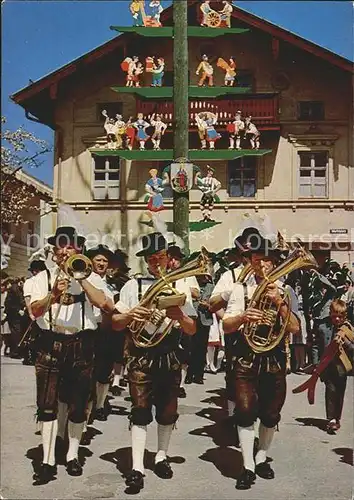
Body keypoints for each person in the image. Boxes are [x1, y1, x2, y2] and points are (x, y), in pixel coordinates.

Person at [112, 232, 197, 493]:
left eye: (160, 257)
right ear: (145, 261)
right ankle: (137, 467)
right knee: (139, 410)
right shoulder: (132, 286)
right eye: (151, 259)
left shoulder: (180, 285)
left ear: (168, 257)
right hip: (141, 355)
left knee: (167, 410)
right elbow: (115, 323)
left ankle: (161, 455)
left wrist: (180, 315)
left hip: (169, 353)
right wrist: (131, 315)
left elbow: (192, 329)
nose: (155, 263)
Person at [30, 226, 113, 482]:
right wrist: (53, 294)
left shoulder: (93, 278)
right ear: (54, 251)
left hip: (82, 345)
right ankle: (47, 459)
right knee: (47, 405)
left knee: (79, 404)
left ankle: (73, 456)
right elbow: (34, 311)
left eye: (70, 246)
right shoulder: (39, 279)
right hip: (51, 343)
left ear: (78, 249)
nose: (65, 251)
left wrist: (81, 278)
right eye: (60, 246)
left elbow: (106, 305)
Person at [223, 228, 300, 490]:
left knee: (270, 413)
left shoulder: (286, 290)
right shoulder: (239, 288)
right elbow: (226, 325)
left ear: (274, 262)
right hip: (246, 357)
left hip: (274, 358)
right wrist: (244, 317)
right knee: (244, 411)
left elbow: (295, 328)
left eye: (267, 260)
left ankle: (262, 456)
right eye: (257, 260)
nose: (263, 264)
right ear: (251, 262)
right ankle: (247, 466)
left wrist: (279, 303)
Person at [318, 299, 354, 434]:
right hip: (327, 366)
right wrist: (316, 364)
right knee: (330, 391)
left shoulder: (349, 330)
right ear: (330, 314)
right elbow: (316, 345)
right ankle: (331, 419)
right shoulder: (323, 327)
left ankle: (337, 417)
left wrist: (346, 343)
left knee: (339, 393)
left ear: (345, 316)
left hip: (342, 368)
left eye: (340, 316)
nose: (337, 319)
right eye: (334, 316)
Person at [22, 260, 48, 365]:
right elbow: (28, 299)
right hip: (32, 311)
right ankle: (28, 357)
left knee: (39, 336)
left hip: (42, 311)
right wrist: (30, 313)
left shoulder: (45, 280)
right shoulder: (30, 282)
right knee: (31, 336)